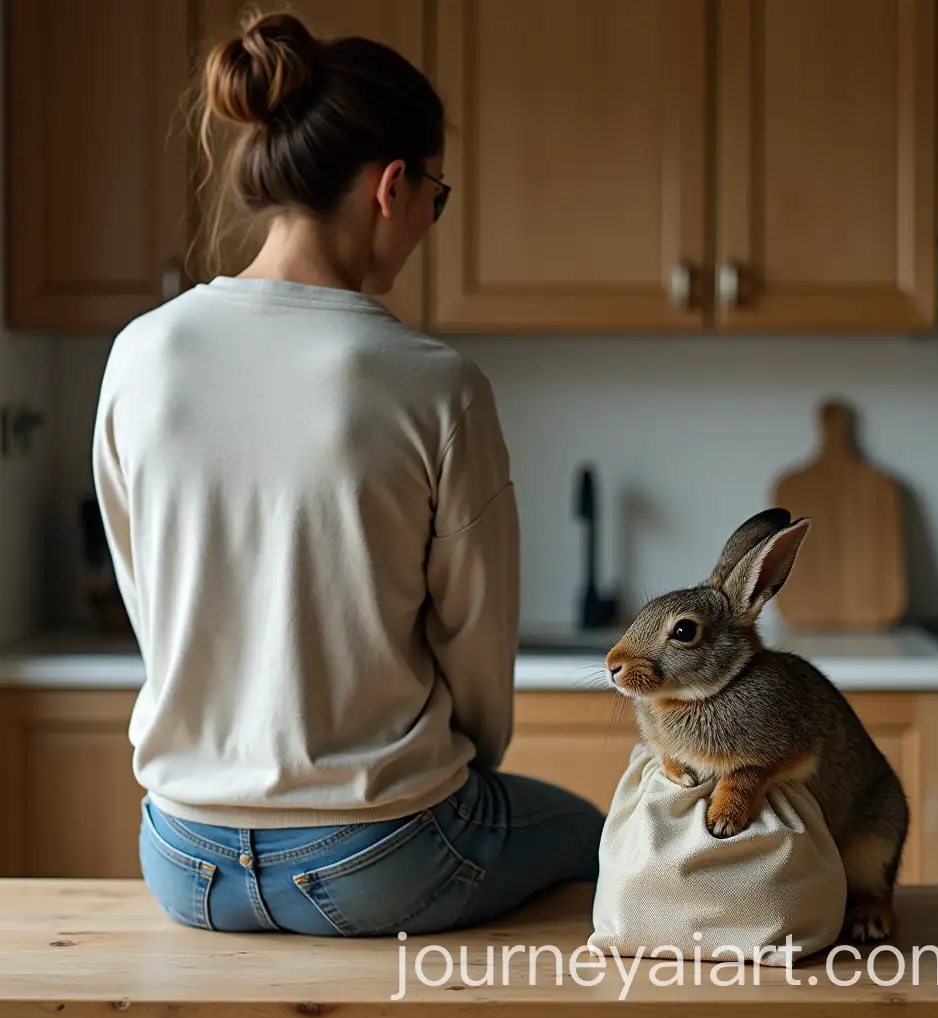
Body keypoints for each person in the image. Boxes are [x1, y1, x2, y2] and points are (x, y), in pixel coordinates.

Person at [91, 9, 604, 937]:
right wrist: (463, 768)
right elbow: (479, 646)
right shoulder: (436, 384)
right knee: (602, 838)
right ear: (392, 186)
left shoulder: (139, 354)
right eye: (435, 200)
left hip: (181, 855)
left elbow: (148, 595)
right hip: (380, 857)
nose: (425, 228)